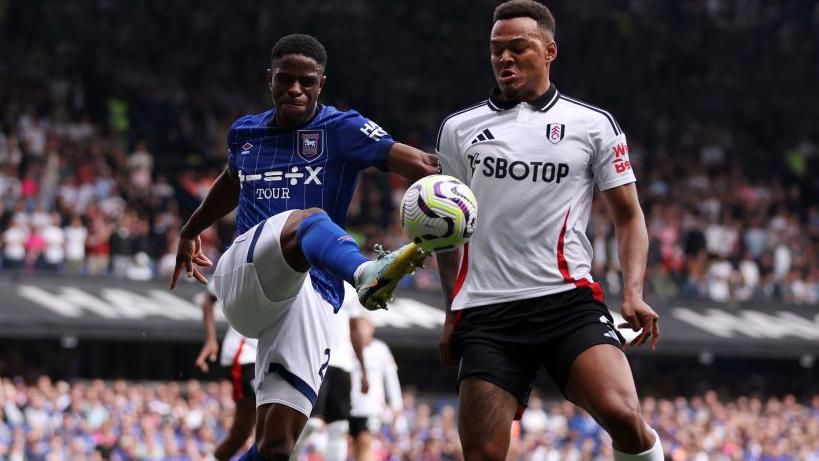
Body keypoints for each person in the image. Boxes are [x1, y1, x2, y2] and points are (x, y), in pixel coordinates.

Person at [170, 34, 437, 461]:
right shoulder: (246, 133)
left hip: (312, 297)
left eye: (306, 82)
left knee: (276, 445)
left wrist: (469, 187)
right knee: (310, 219)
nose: (295, 89)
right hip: (246, 275)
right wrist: (191, 229)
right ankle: (366, 274)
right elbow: (231, 182)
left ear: (321, 83)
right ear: (270, 79)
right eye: (285, 79)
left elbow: (423, 164)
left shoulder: (342, 129)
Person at [435, 2, 663, 461]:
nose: (505, 59)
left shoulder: (593, 126)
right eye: (497, 50)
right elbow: (448, 231)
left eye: (518, 48)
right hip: (487, 312)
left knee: (624, 416)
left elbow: (629, 215)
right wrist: (451, 309)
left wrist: (633, 292)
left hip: (566, 303)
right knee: (481, 453)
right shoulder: (458, 130)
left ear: (550, 50)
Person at [292, 282, 368, 461]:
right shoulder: (308, 279)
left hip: (342, 364)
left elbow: (355, 329)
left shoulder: (350, 288)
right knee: (311, 423)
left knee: (340, 426)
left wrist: (363, 369)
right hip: (314, 359)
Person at [195, 282, 259, 461]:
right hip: (247, 354)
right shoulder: (243, 256)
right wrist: (210, 340)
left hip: (272, 354)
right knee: (272, 429)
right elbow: (209, 298)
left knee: (241, 433)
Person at [348, 317, 402, 461]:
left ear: (372, 328)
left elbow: (391, 378)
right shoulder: (347, 347)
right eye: (359, 326)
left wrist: (396, 405)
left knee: (365, 443)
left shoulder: (381, 349)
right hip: (348, 405)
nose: (362, 330)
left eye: (365, 326)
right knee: (350, 448)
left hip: (370, 408)